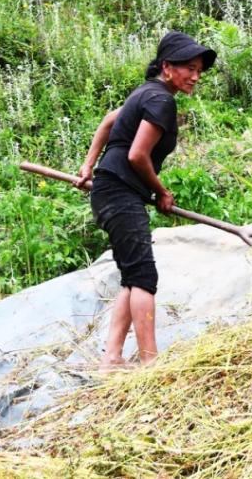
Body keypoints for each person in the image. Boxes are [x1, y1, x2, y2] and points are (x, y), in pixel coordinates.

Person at [75, 30, 216, 370]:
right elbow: (137, 155)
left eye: (199, 70)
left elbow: (109, 121)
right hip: (121, 191)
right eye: (189, 68)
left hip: (111, 189)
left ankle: (112, 358)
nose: (196, 77)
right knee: (143, 276)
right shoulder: (161, 100)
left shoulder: (145, 93)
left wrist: (88, 165)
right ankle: (151, 363)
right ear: (167, 67)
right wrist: (162, 191)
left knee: (132, 274)